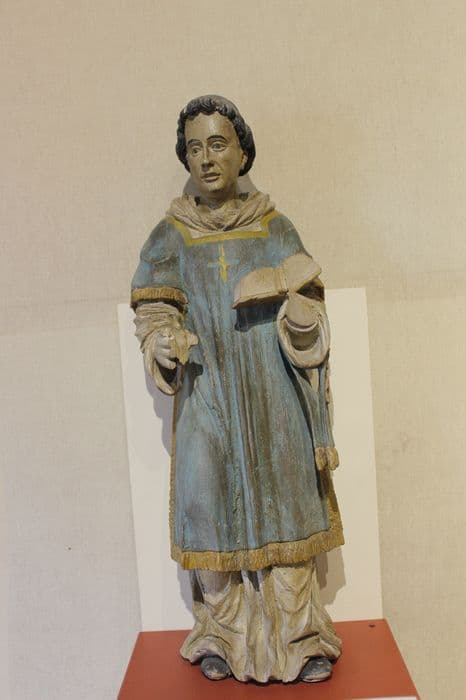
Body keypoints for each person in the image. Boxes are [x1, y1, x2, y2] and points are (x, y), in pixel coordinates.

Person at [131, 95, 344, 683]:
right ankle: (222, 635)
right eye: (194, 147)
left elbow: (311, 306)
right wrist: (163, 342)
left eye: (217, 144)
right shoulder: (170, 236)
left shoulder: (276, 227)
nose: (205, 158)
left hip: (274, 396)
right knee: (208, 509)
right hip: (208, 392)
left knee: (288, 509)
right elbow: (153, 310)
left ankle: (300, 639)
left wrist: (302, 320)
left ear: (242, 153)